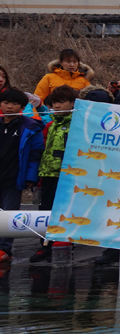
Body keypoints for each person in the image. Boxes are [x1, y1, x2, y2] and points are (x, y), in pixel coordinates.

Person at [27, 85, 77, 263]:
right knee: (46, 210)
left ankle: (65, 244)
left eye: (61, 102)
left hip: (68, 175)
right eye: (54, 102)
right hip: (48, 173)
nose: (57, 106)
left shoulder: (77, 125)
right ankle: (45, 244)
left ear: (72, 103)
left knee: (66, 211)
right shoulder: (51, 124)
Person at [0, 88, 44, 262]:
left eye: (14, 103)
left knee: (9, 213)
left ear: (21, 106)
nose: (10, 107)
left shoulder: (30, 126)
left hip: (13, 178)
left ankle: (5, 249)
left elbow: (35, 154)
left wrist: (31, 177)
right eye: (6, 102)